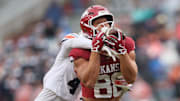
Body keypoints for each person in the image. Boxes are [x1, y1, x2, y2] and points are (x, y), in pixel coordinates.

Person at [69, 5, 138, 101]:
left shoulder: (125, 44)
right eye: (99, 23)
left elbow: (131, 79)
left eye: (106, 23)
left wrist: (121, 51)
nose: (104, 27)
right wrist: (95, 50)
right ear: (87, 28)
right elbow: (89, 82)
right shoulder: (80, 51)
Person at [34, 33, 92, 101]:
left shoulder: (89, 60)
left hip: (68, 98)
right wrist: (96, 44)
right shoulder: (65, 56)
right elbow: (69, 43)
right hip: (53, 92)